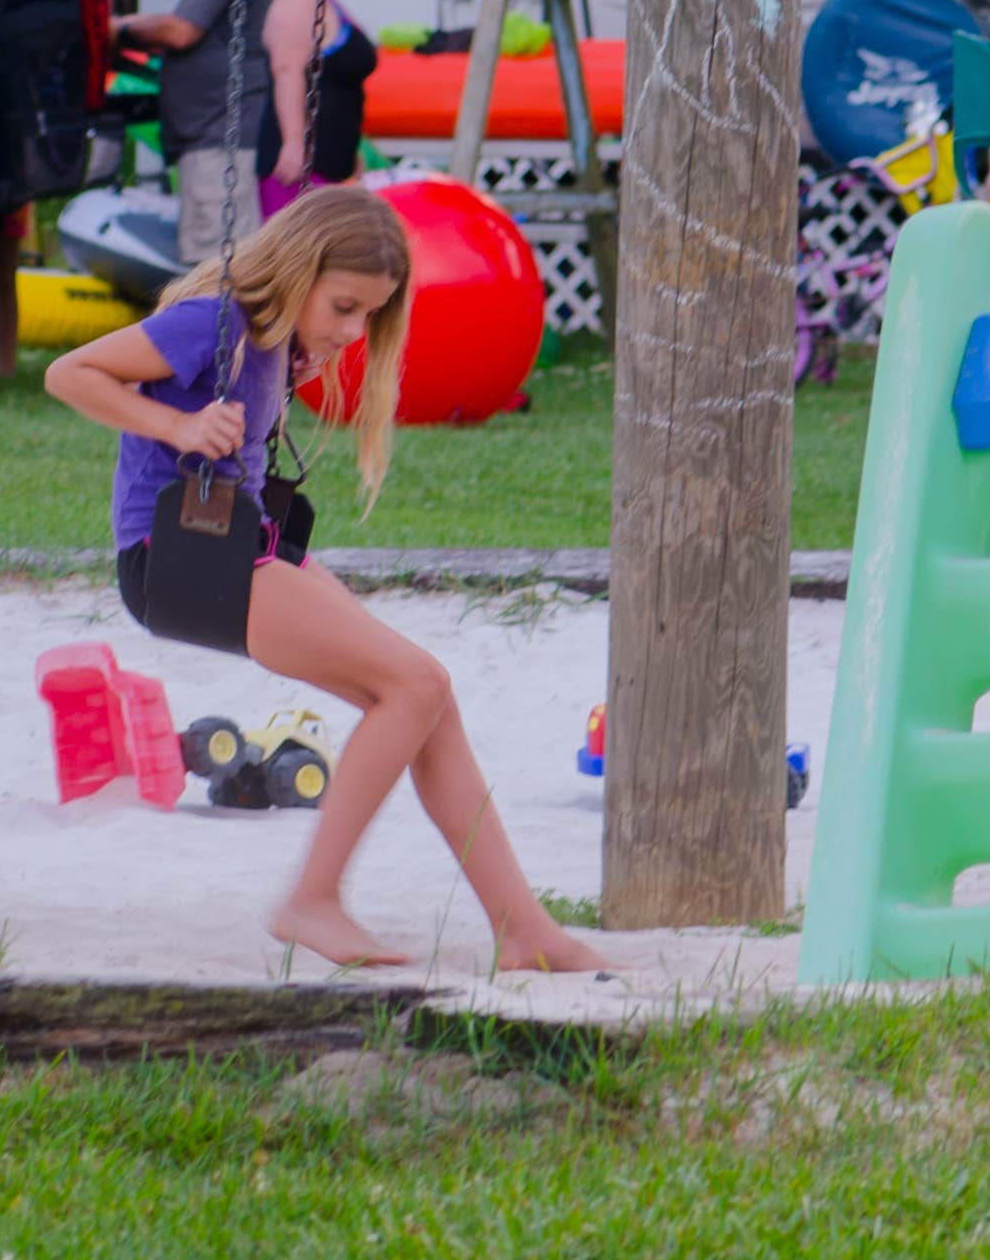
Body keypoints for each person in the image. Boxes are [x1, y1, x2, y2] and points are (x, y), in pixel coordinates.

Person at [47, 184, 602, 977]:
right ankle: (313, 897)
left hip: (239, 545)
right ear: (300, 269)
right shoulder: (211, 320)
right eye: (343, 307)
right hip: (176, 557)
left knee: (428, 699)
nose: (353, 332)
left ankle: (523, 929)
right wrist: (177, 426)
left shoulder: (268, 339)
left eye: (368, 317)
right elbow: (73, 373)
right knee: (411, 686)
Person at [116, 0, 278, 267]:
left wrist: (117, 28)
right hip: (223, 136)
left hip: (218, 140)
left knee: (217, 272)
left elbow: (180, 31)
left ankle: (224, 336)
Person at [259, 0, 379, 214]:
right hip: (302, 168)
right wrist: (294, 143)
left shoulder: (326, 0)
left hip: (330, 164)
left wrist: (350, 149)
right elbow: (287, 70)